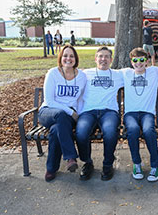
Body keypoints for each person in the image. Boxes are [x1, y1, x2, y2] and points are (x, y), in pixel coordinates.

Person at [38, 45, 86, 182]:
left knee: (56, 129)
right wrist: (71, 112)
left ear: (76, 59)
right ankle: (70, 156)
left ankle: (51, 168)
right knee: (61, 115)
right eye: (65, 56)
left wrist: (79, 114)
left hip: (66, 119)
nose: (68, 59)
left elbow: (81, 99)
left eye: (71, 56)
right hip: (48, 112)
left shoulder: (81, 77)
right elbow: (50, 100)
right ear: (61, 58)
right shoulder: (53, 73)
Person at [76, 46, 123, 181]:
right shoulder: (85, 74)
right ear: (95, 59)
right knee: (81, 132)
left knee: (110, 132)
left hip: (109, 112)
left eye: (106, 56)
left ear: (111, 59)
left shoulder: (118, 74)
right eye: (100, 56)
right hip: (88, 112)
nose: (103, 59)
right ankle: (87, 163)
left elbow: (140, 74)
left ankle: (108, 164)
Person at [121, 47, 158, 182]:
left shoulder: (154, 71)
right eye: (135, 60)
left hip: (147, 113)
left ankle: (155, 165)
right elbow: (105, 73)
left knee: (148, 130)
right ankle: (137, 164)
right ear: (131, 61)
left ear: (146, 61)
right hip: (130, 114)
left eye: (141, 60)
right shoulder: (125, 73)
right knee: (132, 130)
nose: (138, 63)